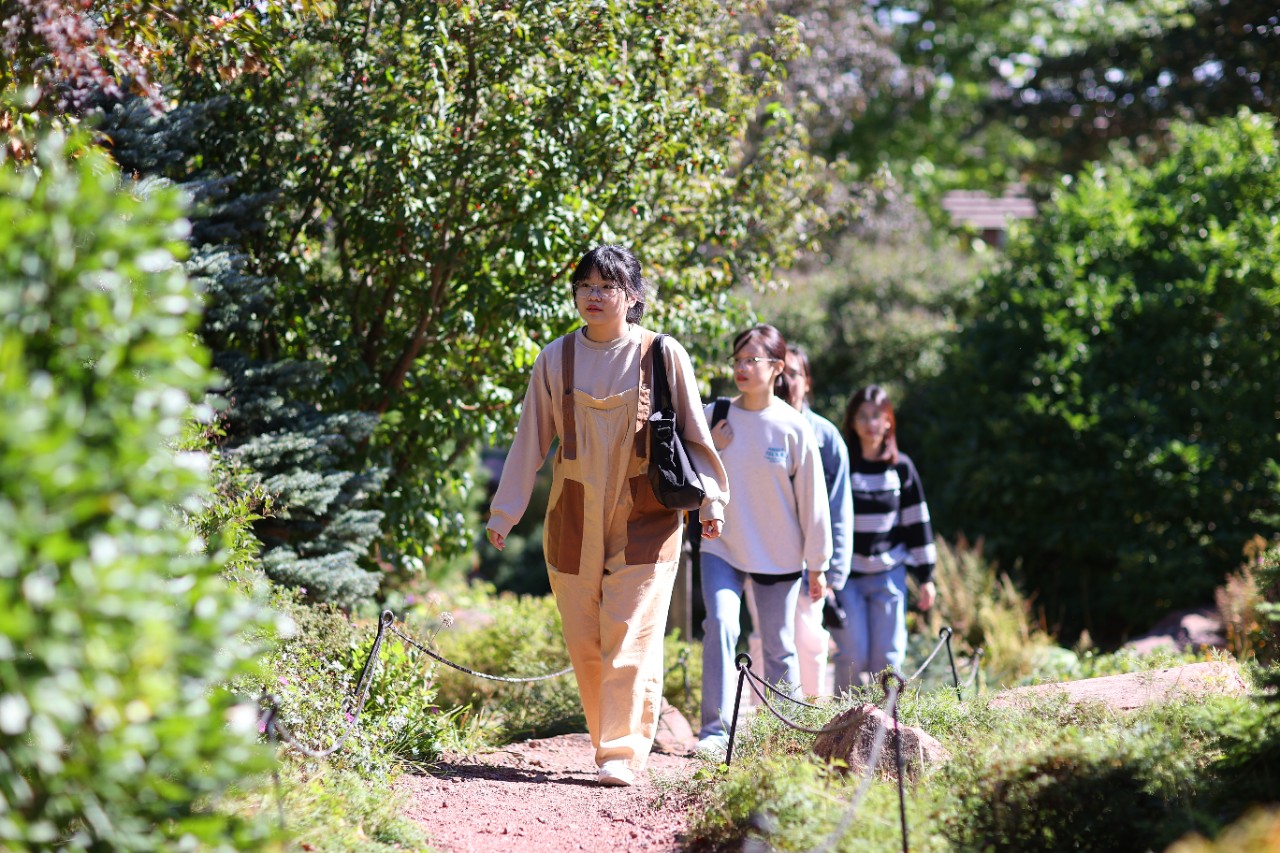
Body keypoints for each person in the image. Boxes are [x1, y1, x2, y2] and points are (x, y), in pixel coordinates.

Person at [485, 245, 729, 787]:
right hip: (571, 514)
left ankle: (619, 751)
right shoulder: (556, 358)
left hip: (647, 512)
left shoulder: (663, 355)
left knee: (630, 629)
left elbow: (695, 433)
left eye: (607, 286)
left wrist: (712, 501)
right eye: (586, 286)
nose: (594, 296)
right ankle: (610, 738)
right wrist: (505, 512)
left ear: (632, 297)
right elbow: (531, 441)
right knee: (584, 637)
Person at [697, 325, 832, 753]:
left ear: (777, 367)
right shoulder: (714, 414)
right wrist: (709, 448)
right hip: (722, 546)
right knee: (719, 624)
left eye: (751, 360)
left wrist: (819, 564)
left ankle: (783, 735)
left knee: (780, 648)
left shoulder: (793, 427)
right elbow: (674, 459)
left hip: (781, 556)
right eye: (737, 360)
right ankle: (715, 733)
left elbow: (813, 502)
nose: (741, 368)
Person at [829, 384, 937, 689]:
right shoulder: (843, 465)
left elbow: (917, 521)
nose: (869, 423)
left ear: (888, 420)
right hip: (847, 578)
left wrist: (926, 577)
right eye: (862, 416)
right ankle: (840, 728)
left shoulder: (901, 467)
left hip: (889, 576)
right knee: (851, 655)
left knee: (887, 659)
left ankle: (889, 724)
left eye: (876, 416)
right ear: (851, 421)